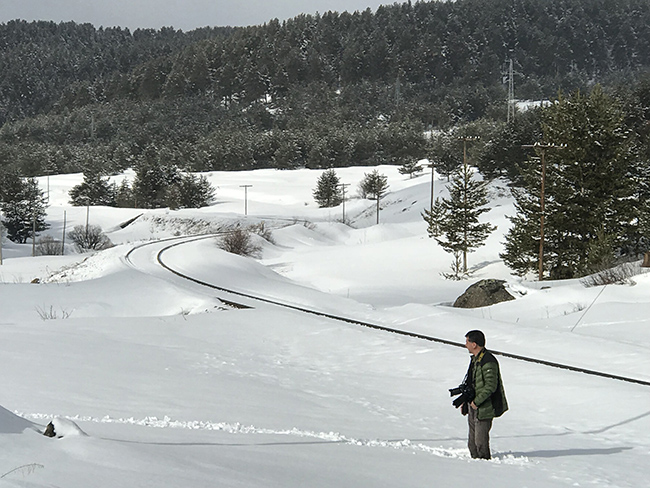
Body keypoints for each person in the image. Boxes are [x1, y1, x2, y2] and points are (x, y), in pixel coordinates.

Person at [460, 330, 508, 460]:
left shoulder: (488, 361)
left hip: (485, 407)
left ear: (474, 344)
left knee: (480, 443)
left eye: (467, 342)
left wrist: (477, 401)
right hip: (473, 405)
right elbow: (472, 382)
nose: (466, 345)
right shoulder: (476, 360)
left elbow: (490, 386)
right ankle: (475, 465)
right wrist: (466, 400)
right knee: (472, 445)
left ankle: (484, 467)